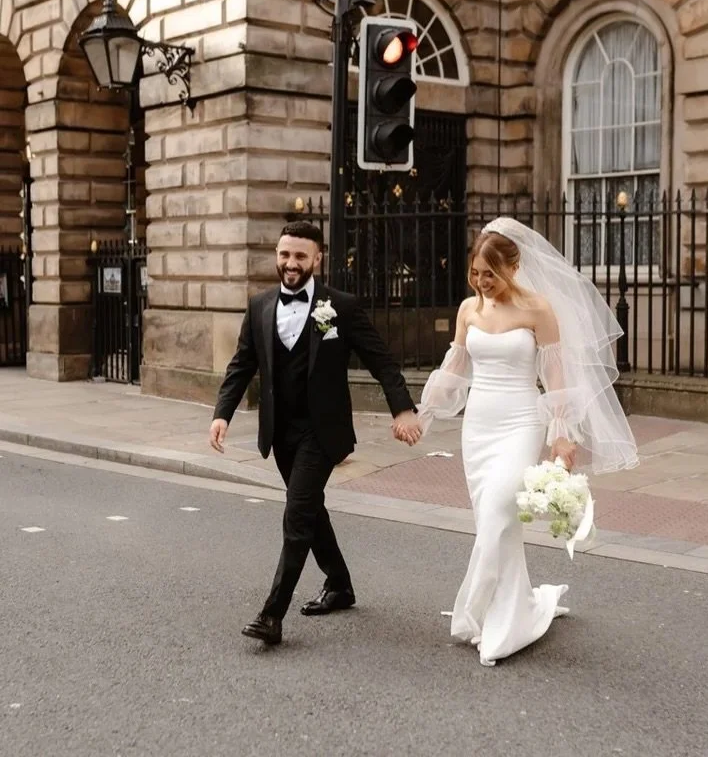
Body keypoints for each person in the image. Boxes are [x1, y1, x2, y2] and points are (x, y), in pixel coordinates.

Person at [417, 217, 638, 667]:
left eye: (490, 274)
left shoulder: (539, 309)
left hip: (520, 422)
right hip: (477, 425)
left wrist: (561, 435)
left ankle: (477, 612)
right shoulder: (468, 310)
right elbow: (455, 367)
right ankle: (510, 610)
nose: (482, 282)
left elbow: (555, 375)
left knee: (500, 512)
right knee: (495, 526)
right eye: (476, 273)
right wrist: (419, 414)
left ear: (513, 268)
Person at [209, 221, 421, 646]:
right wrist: (222, 414)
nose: (291, 263)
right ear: (277, 254)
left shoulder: (339, 305)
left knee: (297, 515)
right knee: (309, 509)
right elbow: (241, 364)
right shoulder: (260, 305)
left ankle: (272, 615)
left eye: (300, 256)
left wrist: (402, 408)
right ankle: (339, 584)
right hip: (280, 431)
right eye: (285, 255)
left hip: (322, 433)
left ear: (318, 258)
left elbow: (380, 359)